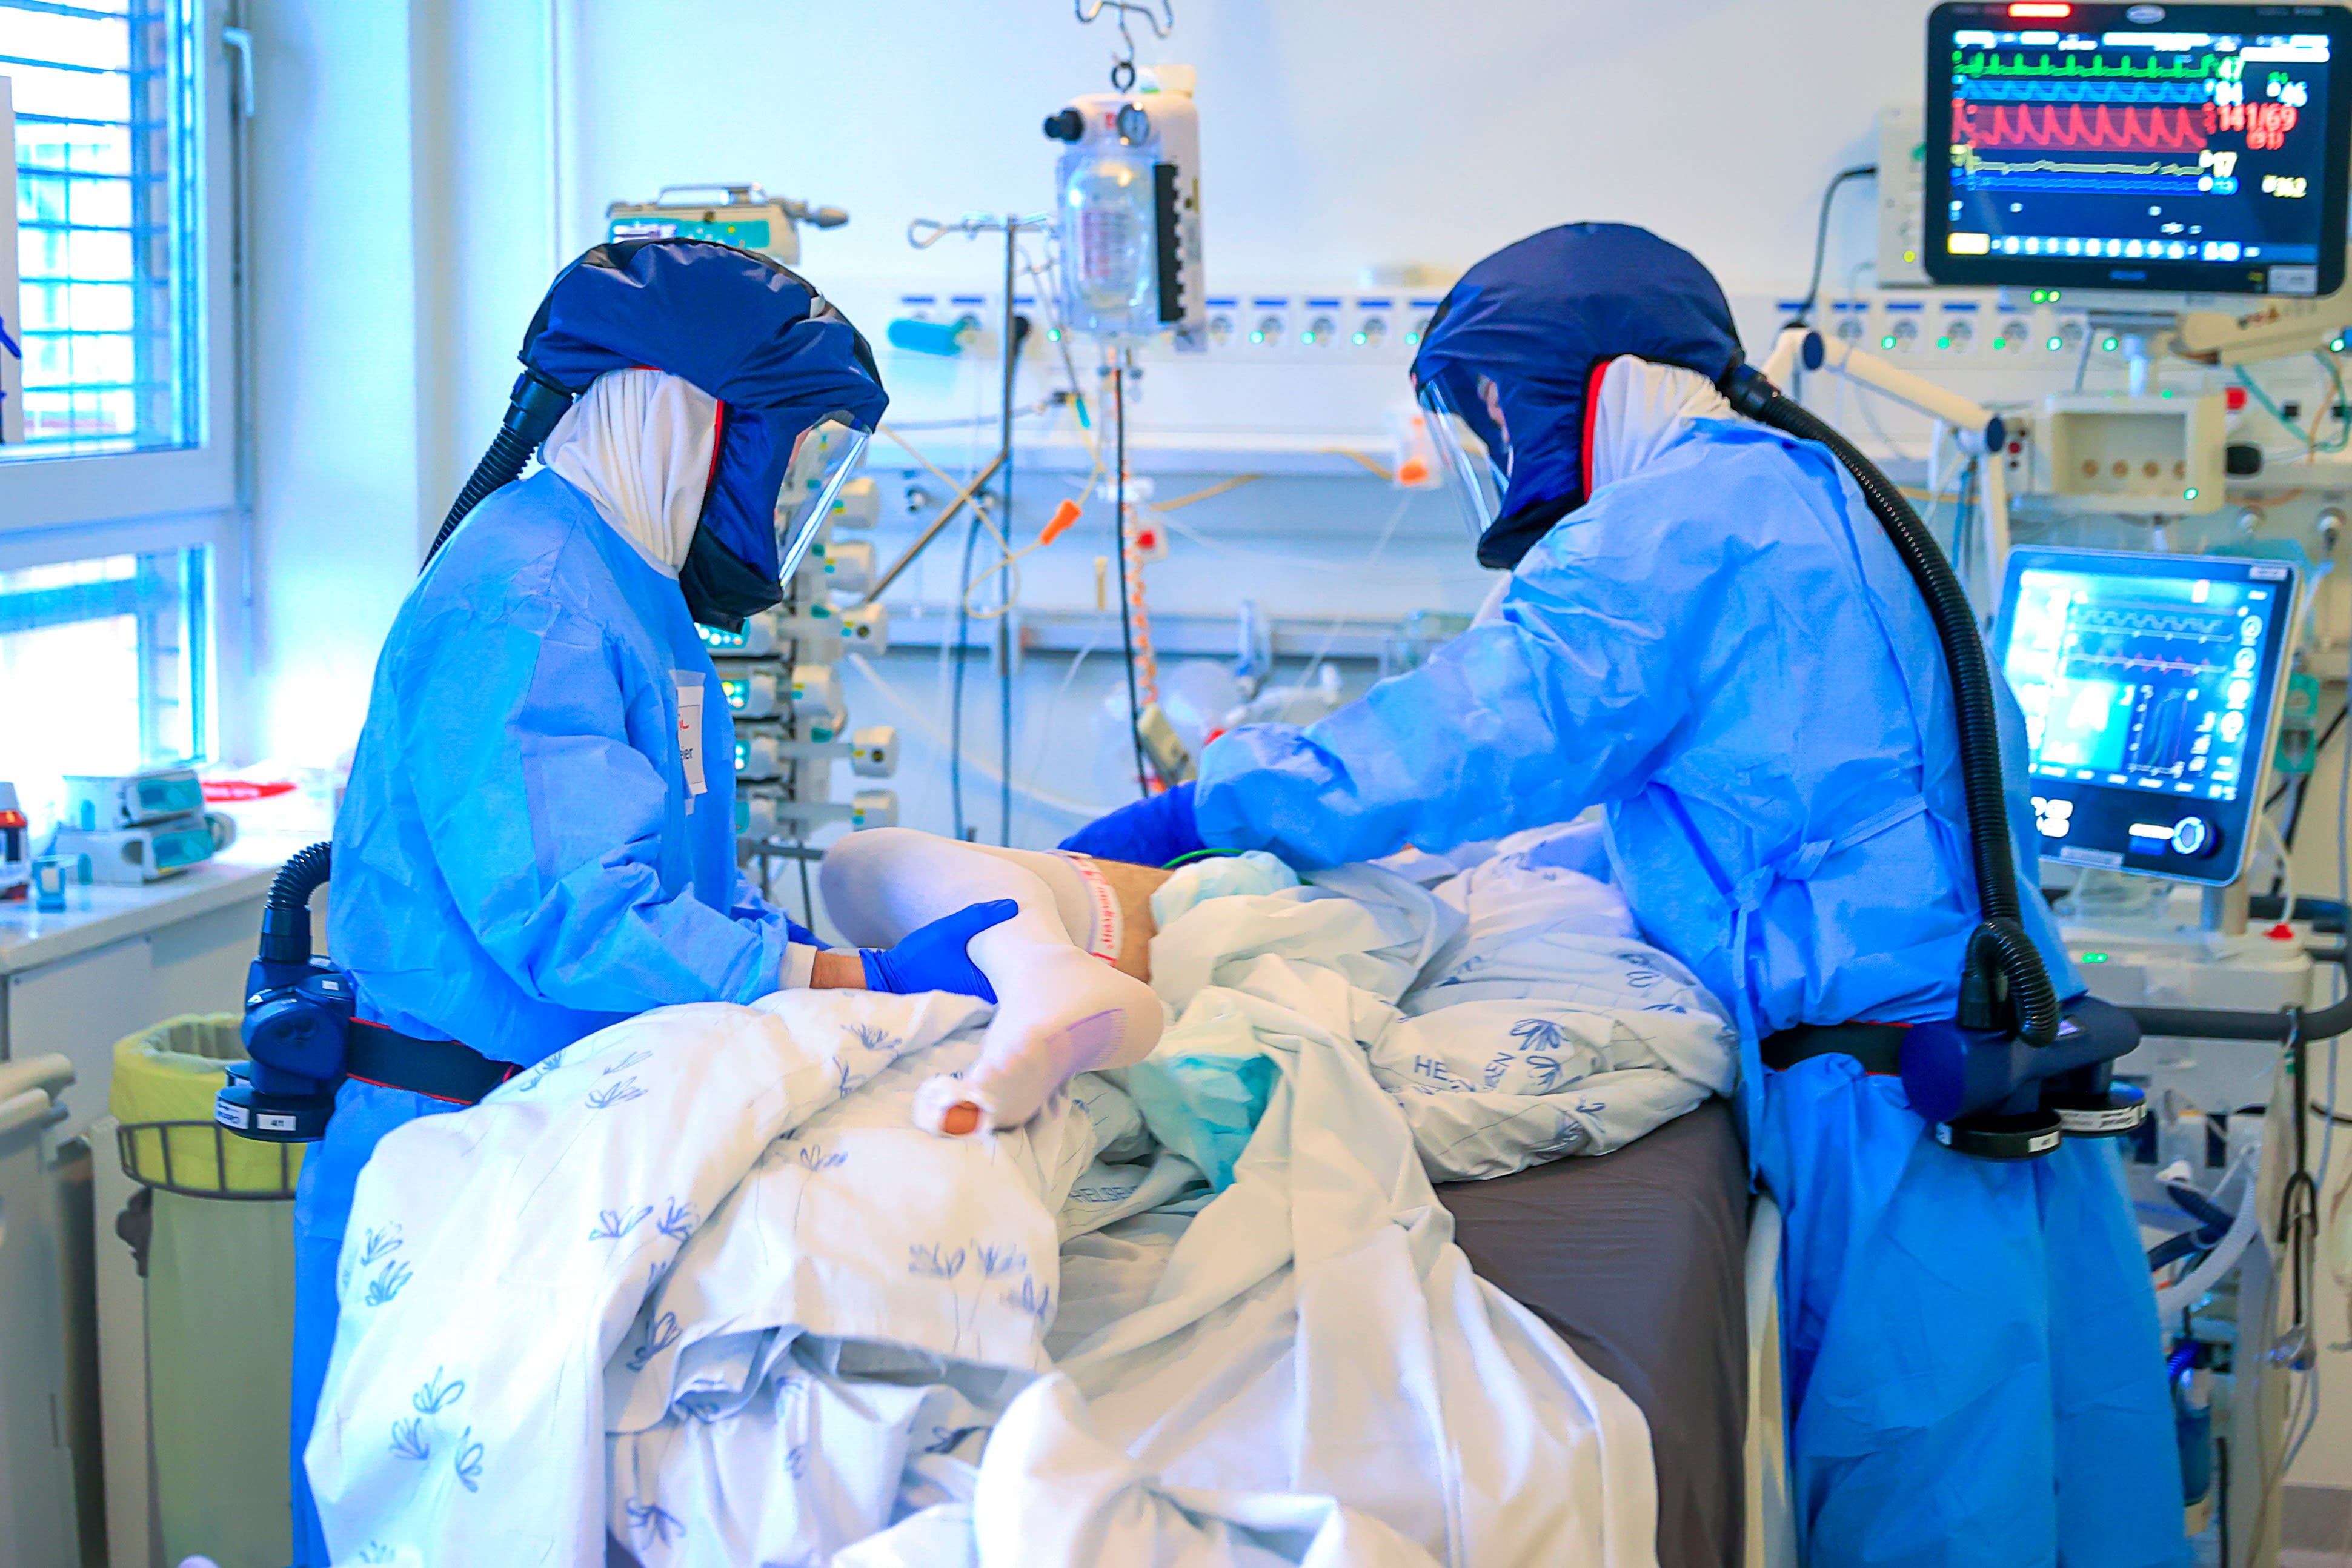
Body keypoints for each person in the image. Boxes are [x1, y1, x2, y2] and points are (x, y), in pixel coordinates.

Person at [1061, 223, 2185, 1568]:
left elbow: (1485, 725)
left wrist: (1203, 810)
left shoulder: (1679, 523)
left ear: (1572, 390)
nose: (1495, 447)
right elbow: (1782, 795)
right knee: (2067, 1467)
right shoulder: (1807, 488)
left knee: (1934, 1505)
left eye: (1492, 412)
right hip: (1987, 1054)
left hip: (1890, 1110)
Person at [291, 241, 1014, 1564]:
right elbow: (578, 916)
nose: (786, 495)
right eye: (786, 454)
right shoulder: (527, 595)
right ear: (679, 414)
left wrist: (798, 961)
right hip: (457, 1140)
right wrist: (852, 980)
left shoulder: (628, 583)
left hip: (568, 1128)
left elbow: (669, 878)